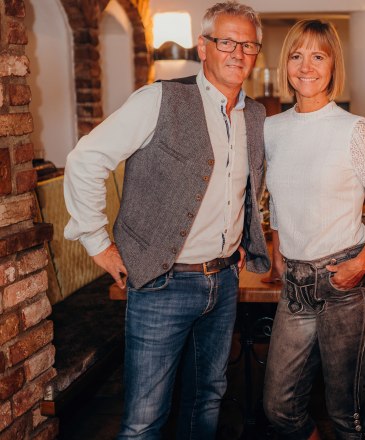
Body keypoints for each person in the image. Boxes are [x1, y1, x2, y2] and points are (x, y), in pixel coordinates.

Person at [63, 2, 269, 438]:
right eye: (227, 42)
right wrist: (98, 244)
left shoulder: (254, 115)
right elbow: (85, 160)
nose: (238, 53)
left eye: (248, 45)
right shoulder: (158, 99)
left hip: (223, 280)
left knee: (206, 401)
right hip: (162, 282)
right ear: (203, 47)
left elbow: (245, 189)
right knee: (144, 419)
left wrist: (242, 242)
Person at [262, 19, 365, 440]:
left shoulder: (353, 129)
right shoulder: (271, 129)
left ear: (332, 65)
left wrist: (361, 264)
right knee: (279, 408)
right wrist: (278, 254)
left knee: (346, 414)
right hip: (296, 287)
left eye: (318, 56)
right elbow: (274, 201)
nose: (306, 66)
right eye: (296, 55)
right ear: (286, 64)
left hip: (346, 286)